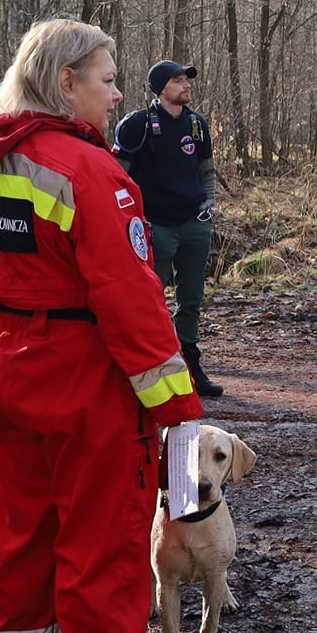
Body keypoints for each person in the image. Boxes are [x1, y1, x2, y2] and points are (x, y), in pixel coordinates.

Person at [0, 18, 202, 633]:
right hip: (82, 375)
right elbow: (132, 300)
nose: (118, 92)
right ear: (65, 83)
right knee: (103, 537)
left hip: (7, 367)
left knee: (24, 531)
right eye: (107, 77)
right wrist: (177, 411)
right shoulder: (90, 172)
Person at [113, 60, 224, 398]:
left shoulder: (197, 125)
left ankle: (190, 362)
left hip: (194, 224)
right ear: (161, 88)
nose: (186, 85)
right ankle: (153, 367)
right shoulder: (137, 125)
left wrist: (209, 203)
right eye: (178, 81)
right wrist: (134, 218)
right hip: (154, 227)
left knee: (191, 299)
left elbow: (207, 171)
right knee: (151, 300)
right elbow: (116, 176)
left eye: (186, 80)